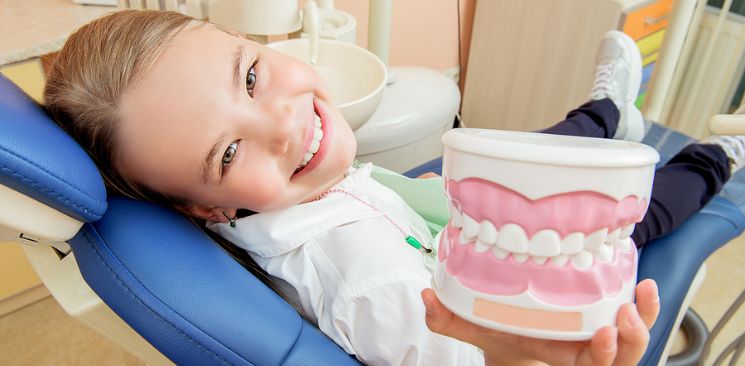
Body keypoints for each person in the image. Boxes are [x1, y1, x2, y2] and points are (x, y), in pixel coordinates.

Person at [43, 10, 743, 366]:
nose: (283, 124)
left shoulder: (286, 201)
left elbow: (332, 183)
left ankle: (606, 114)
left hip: (405, 214)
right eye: (228, 151)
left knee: (522, 158)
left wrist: (402, 197)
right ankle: (720, 156)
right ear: (207, 207)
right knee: (629, 215)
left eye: (251, 76)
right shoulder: (368, 284)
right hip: (468, 272)